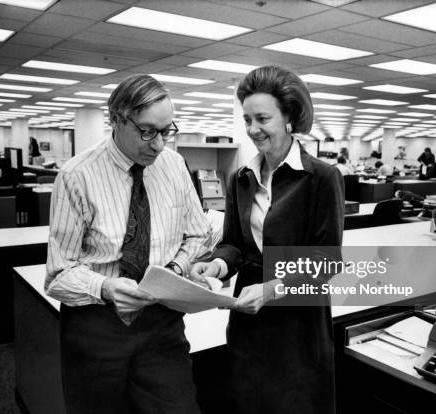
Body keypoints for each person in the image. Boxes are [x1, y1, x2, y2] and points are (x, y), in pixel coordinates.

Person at [45, 74, 212, 414]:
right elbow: (58, 274)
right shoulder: (77, 176)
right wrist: (105, 287)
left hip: (162, 324)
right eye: (147, 131)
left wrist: (175, 270)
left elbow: (198, 234)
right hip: (96, 327)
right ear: (117, 120)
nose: (159, 144)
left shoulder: (174, 166)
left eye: (167, 131)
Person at [190, 65, 344, 414]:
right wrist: (215, 265)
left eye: (262, 118)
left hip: (297, 324)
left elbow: (327, 260)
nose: (252, 130)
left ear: (290, 116)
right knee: (248, 401)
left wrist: (272, 288)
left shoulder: (321, 178)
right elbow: (233, 244)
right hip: (248, 318)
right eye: (247, 119)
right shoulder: (241, 177)